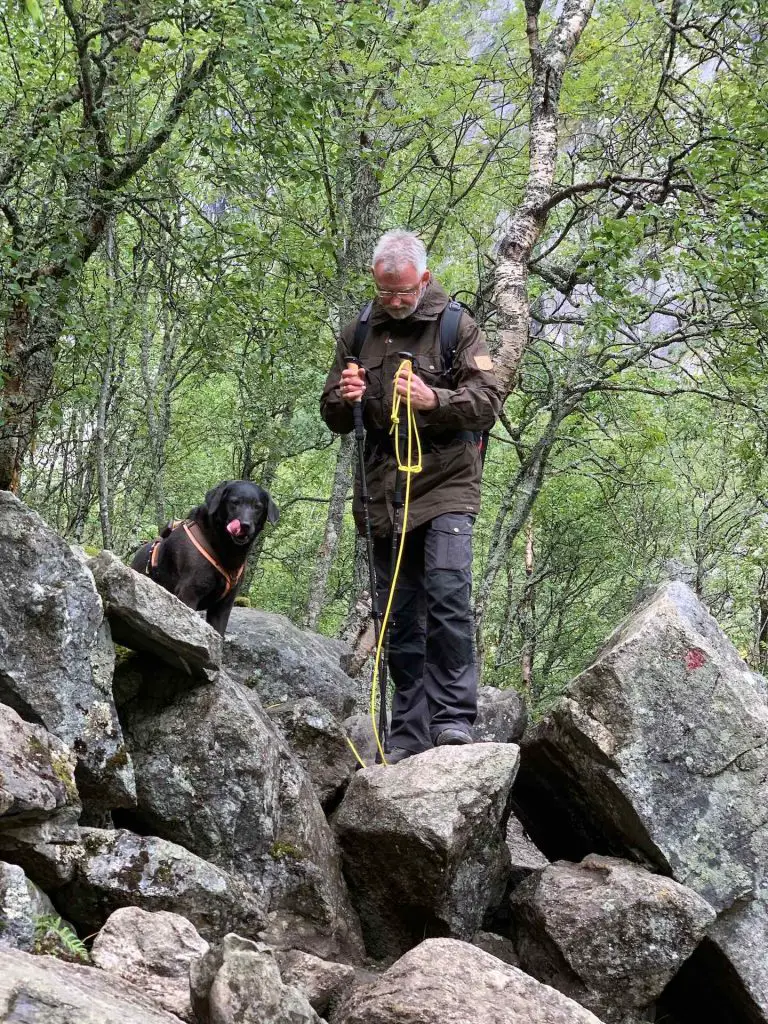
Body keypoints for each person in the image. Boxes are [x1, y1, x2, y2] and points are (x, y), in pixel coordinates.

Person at [320, 229, 502, 763]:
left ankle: (453, 720)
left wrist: (433, 398)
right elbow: (332, 413)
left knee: (447, 596)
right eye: (385, 293)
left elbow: (487, 401)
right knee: (399, 611)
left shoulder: (457, 326)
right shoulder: (358, 330)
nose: (395, 303)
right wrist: (342, 396)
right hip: (383, 490)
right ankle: (407, 729)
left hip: (447, 481)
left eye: (403, 292)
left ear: (423, 279)